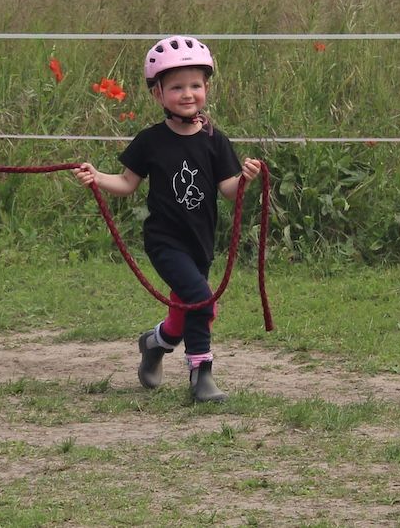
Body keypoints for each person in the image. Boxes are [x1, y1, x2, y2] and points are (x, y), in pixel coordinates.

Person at [74, 35, 261, 403]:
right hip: (165, 241)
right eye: (176, 87)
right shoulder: (150, 141)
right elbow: (127, 183)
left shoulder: (215, 141)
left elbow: (227, 189)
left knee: (188, 306)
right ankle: (201, 374)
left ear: (206, 88)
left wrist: (246, 179)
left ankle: (155, 343)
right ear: (158, 94)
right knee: (201, 300)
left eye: (195, 85)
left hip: (201, 242)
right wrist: (96, 177)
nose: (187, 93)